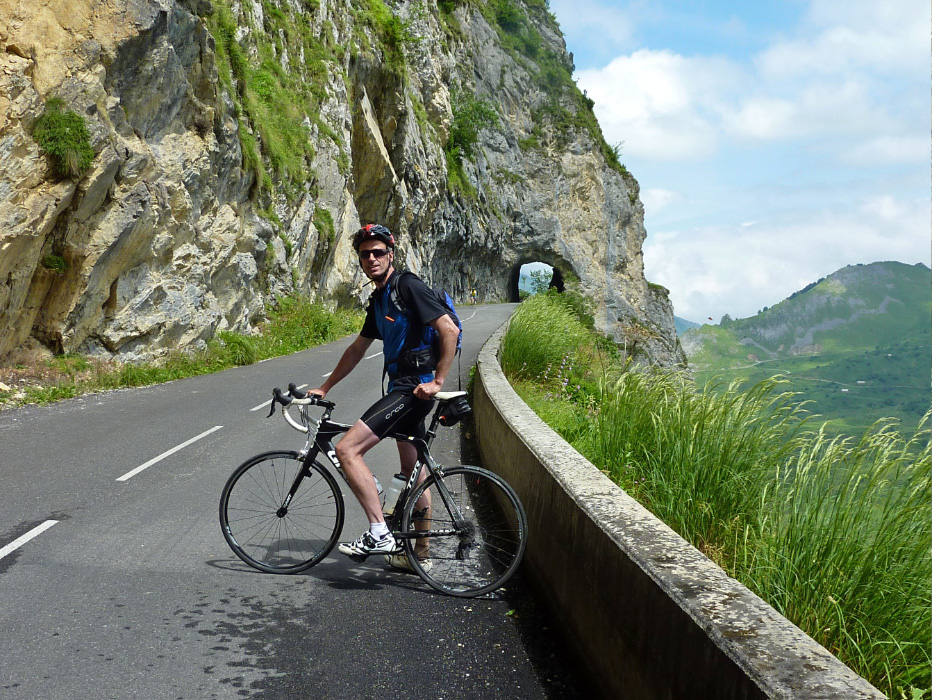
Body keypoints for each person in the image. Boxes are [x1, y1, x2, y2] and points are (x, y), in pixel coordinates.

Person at [309, 223, 461, 571]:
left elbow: (448, 329)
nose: (372, 258)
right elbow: (357, 349)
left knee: (347, 449)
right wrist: (325, 387)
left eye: (378, 252)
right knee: (413, 470)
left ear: (391, 255)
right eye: (365, 254)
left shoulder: (407, 286)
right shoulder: (380, 299)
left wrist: (438, 381)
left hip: (412, 389)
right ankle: (418, 554)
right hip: (404, 388)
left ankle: (379, 532)